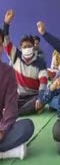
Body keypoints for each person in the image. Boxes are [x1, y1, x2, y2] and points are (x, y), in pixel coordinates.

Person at [3, 10, 48, 116]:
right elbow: (6, 40)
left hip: (34, 96)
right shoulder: (15, 56)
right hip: (19, 96)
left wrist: (41, 98)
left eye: (29, 46)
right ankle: (15, 111)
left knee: (41, 100)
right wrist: (6, 23)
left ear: (33, 47)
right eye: (24, 47)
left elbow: (43, 83)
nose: (27, 48)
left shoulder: (40, 62)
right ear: (20, 48)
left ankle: (15, 113)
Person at [0, 28, 34, 160]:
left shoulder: (8, 72)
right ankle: (4, 153)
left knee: (26, 126)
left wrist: (2, 131)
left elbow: (10, 107)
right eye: (24, 46)